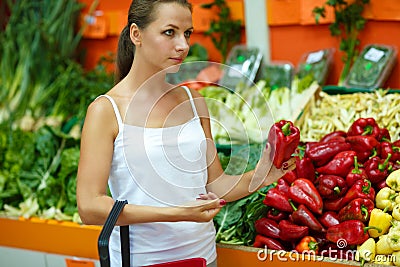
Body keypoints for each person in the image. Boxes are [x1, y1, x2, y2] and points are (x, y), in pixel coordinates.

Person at [76, 0, 296, 266]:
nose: (183, 45)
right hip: (141, 260)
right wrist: (177, 213)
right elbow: (89, 207)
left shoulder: (194, 101)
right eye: (170, 32)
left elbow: (214, 184)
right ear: (137, 34)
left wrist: (262, 175)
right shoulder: (106, 110)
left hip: (202, 256)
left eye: (187, 33)